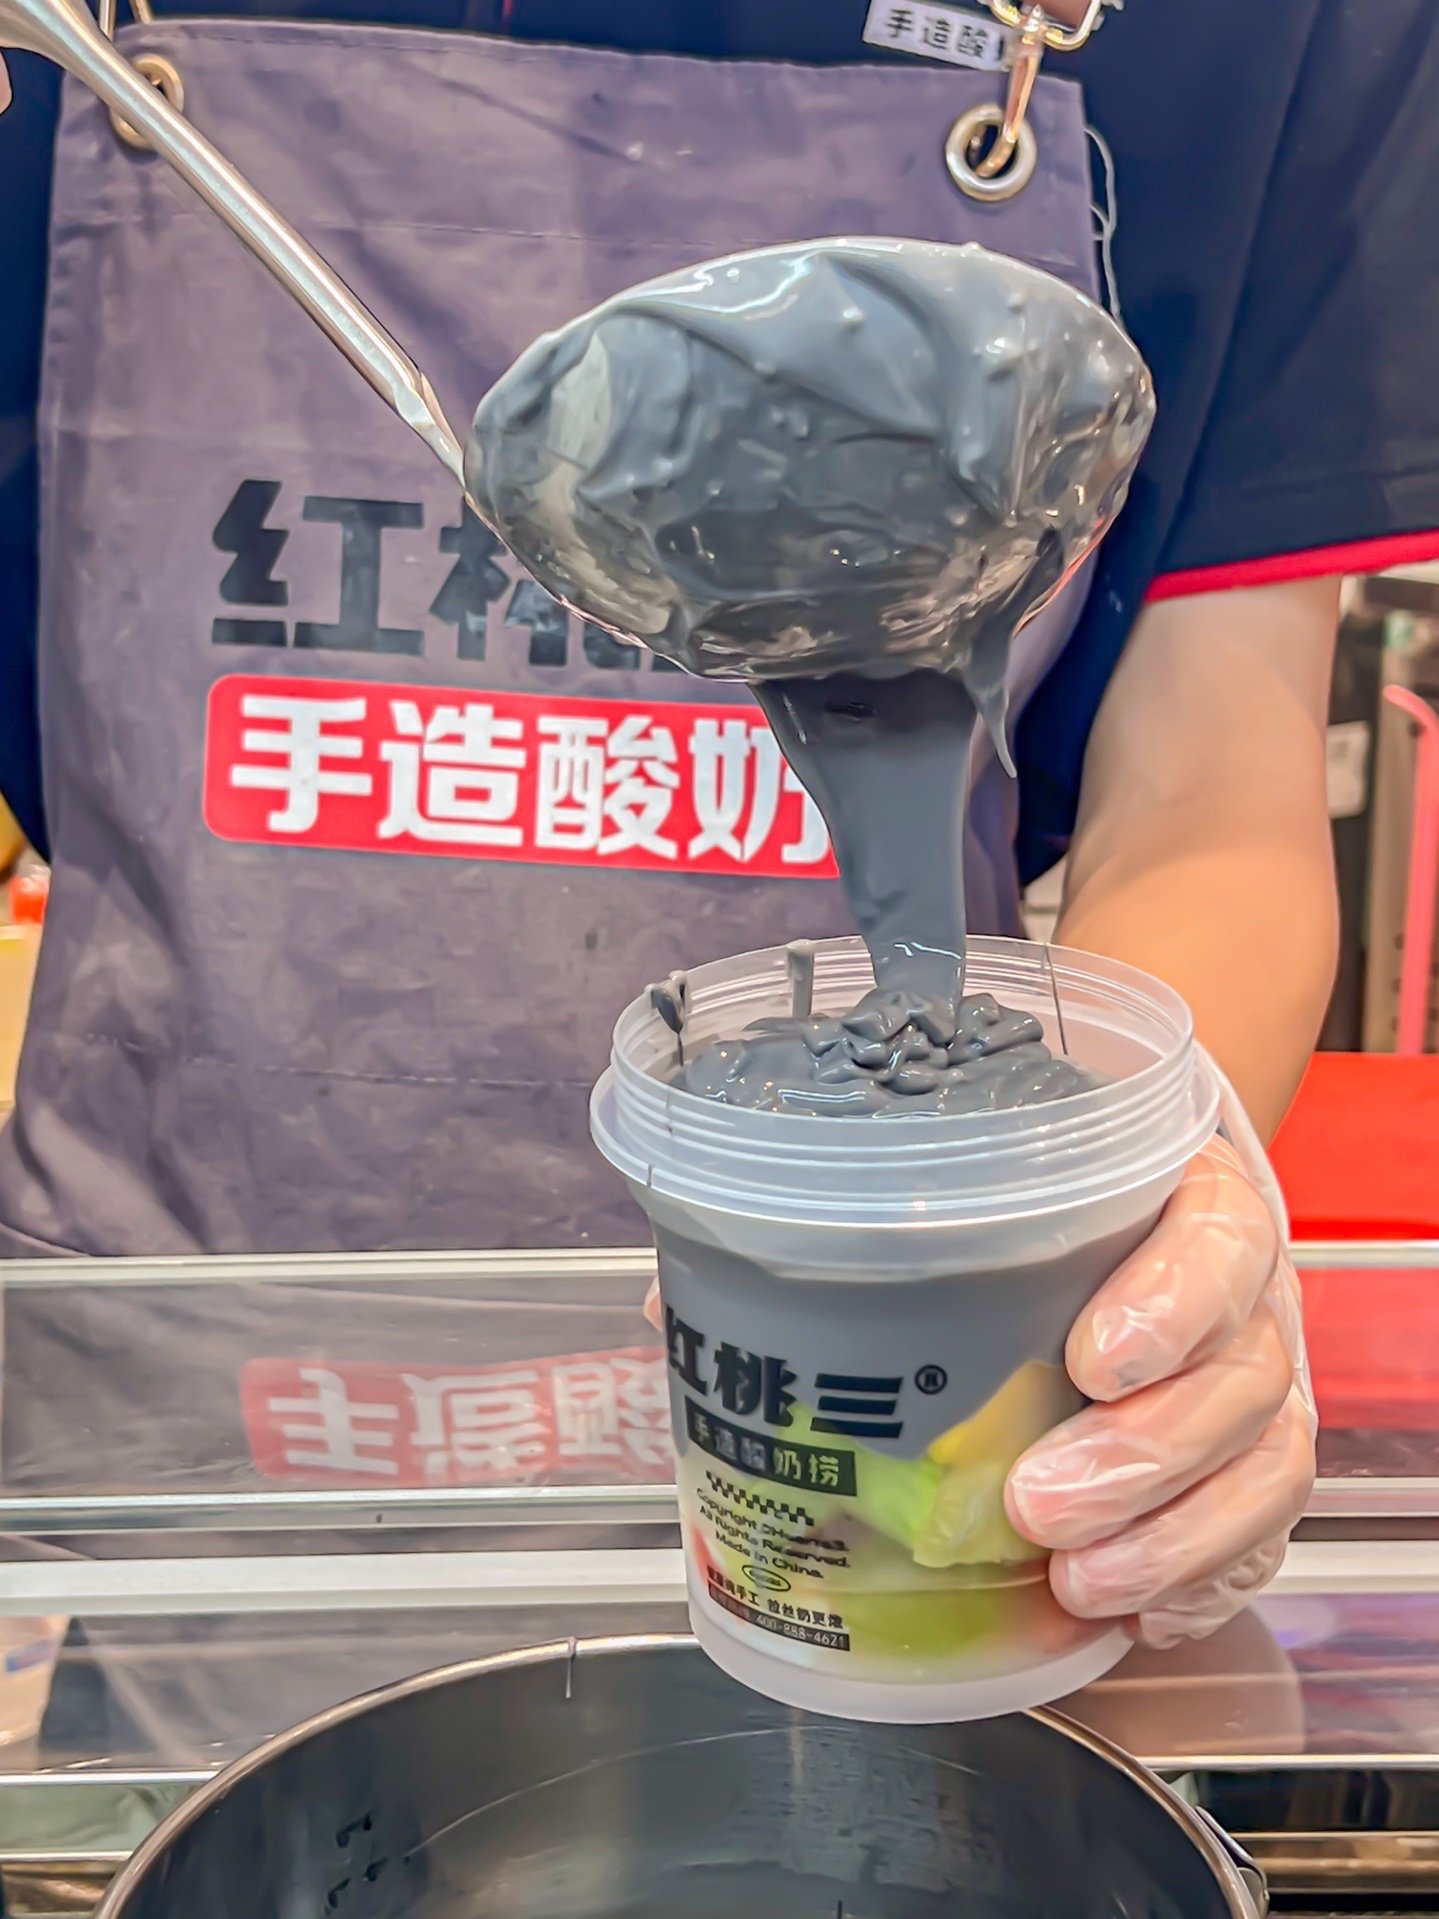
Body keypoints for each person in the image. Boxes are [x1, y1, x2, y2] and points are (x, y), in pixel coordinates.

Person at [0, 0, 1436, 1650]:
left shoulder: (1256, 30)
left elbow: (1205, 797)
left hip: (924, 1426)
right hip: (212, 1484)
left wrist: (1136, 1241)